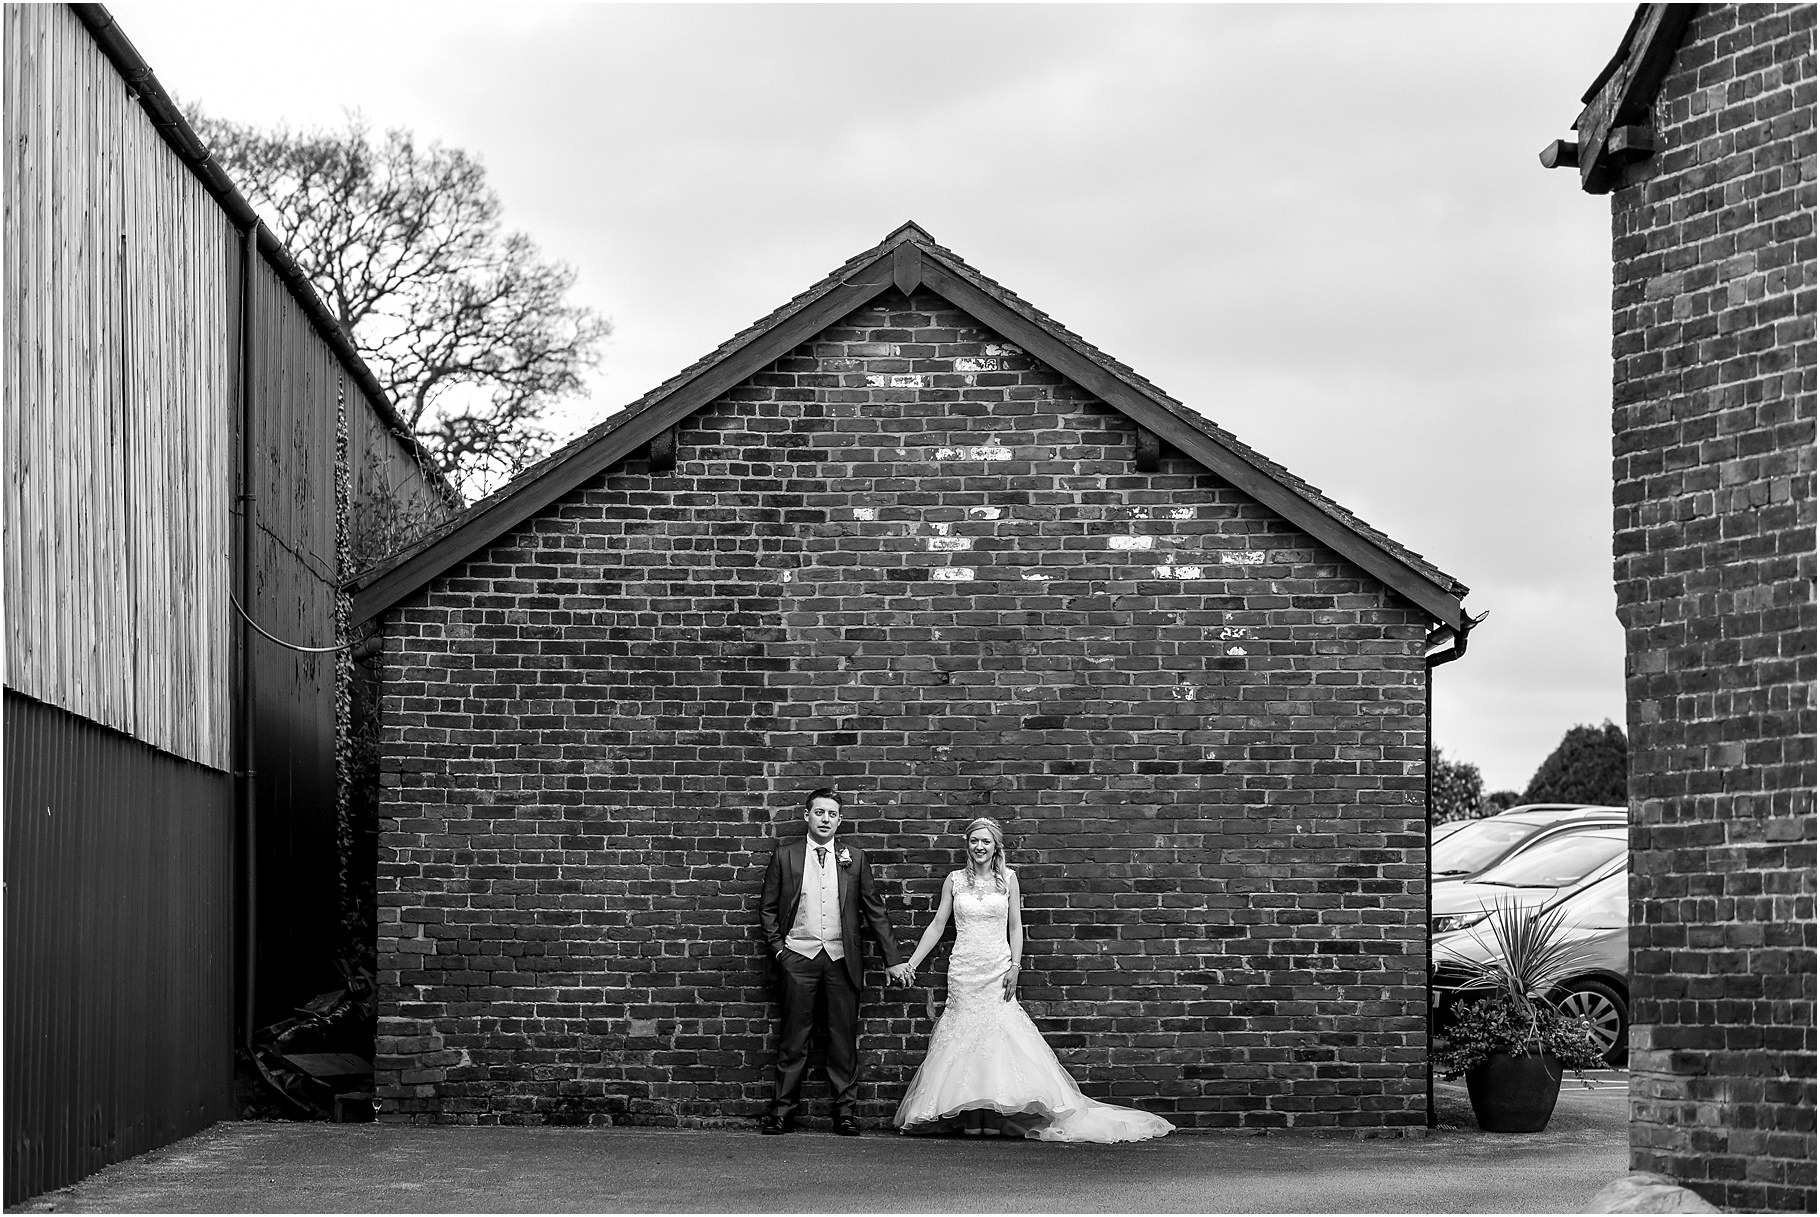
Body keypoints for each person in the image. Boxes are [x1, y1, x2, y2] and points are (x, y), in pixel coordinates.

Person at [893, 817, 1174, 1142]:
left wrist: (1015, 967)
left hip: (997, 968)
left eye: (986, 841)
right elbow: (938, 925)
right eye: (974, 841)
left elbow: (1016, 927)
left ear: (995, 845)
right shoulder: (954, 880)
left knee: (997, 1038)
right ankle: (971, 1117)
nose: (980, 847)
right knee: (964, 1039)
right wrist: (912, 962)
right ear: (967, 845)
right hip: (964, 970)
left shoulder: (1007, 879)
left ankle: (995, 1118)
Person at [758, 788, 912, 1136]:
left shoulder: (854, 858)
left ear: (839, 820)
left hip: (841, 960)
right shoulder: (786, 856)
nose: (825, 819)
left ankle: (845, 1113)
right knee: (793, 1040)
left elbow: (875, 911)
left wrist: (893, 960)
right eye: (819, 813)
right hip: (798, 957)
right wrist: (781, 952)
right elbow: (767, 910)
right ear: (806, 816)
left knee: (842, 1040)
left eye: (832, 814)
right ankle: (782, 1113)